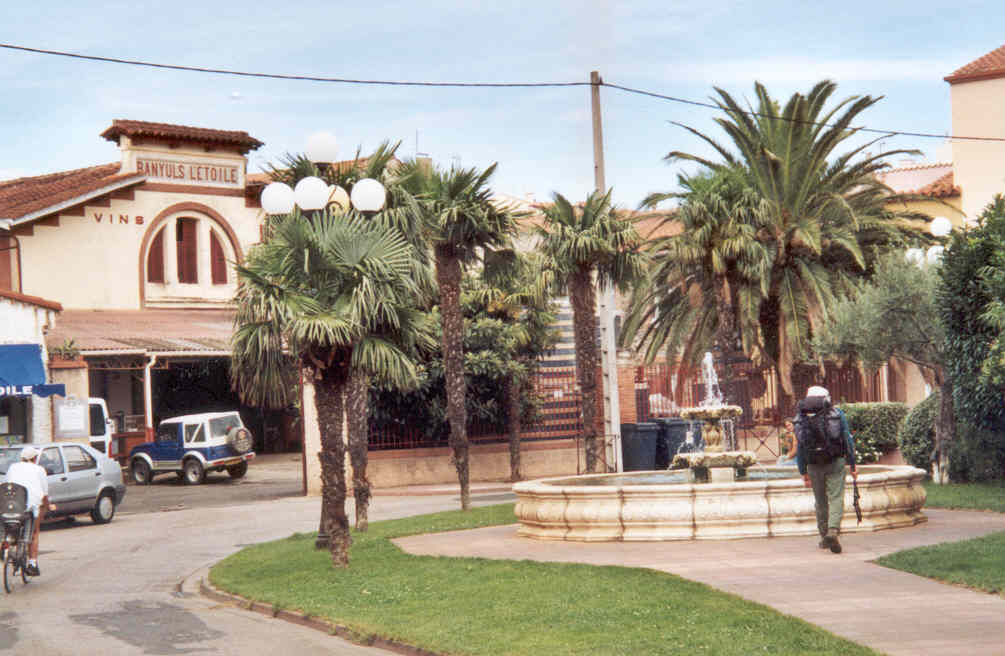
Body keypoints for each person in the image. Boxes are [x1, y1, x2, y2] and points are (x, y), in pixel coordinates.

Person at [796, 386, 857, 554]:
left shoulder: (801, 417)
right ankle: (833, 530)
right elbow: (847, 439)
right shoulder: (836, 414)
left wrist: (803, 471)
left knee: (820, 501)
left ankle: (824, 536)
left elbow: (800, 446)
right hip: (835, 461)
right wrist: (852, 464)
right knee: (836, 497)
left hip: (813, 464)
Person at [3, 445, 53, 576]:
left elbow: (7, 484)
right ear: (35, 458)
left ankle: (7, 545)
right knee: (34, 532)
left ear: (22, 458)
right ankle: (32, 563)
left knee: (8, 526)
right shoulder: (39, 470)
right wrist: (48, 506)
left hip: (10, 506)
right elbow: (44, 495)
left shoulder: (13, 467)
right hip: (29, 508)